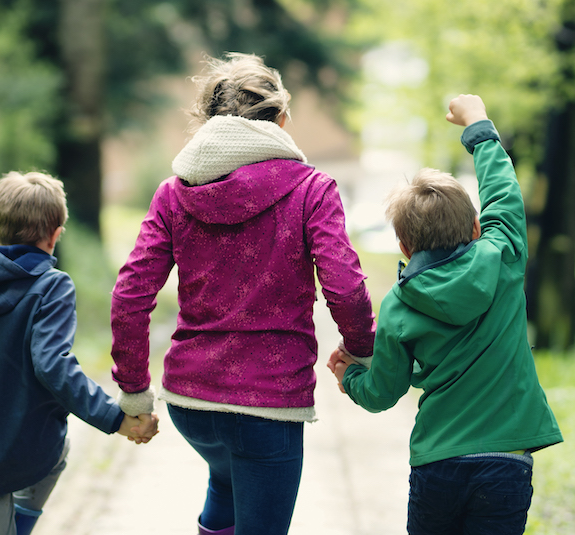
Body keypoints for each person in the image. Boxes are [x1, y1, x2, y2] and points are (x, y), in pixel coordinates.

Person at [110, 52, 376, 535]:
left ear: (208, 119)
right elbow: (345, 285)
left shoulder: (174, 193)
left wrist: (133, 392)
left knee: (227, 482)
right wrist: (360, 349)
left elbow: (131, 293)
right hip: (269, 403)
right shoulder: (312, 189)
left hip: (192, 403)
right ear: (279, 118)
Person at [328, 94, 563, 535]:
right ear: (476, 228)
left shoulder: (400, 303)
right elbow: (503, 191)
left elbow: (382, 393)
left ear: (404, 247)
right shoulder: (504, 256)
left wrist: (350, 378)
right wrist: (478, 125)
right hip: (505, 462)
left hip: (438, 463)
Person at [0, 171, 159, 535]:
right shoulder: (51, 286)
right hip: (30, 451)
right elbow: (52, 365)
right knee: (57, 451)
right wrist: (116, 419)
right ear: (56, 235)